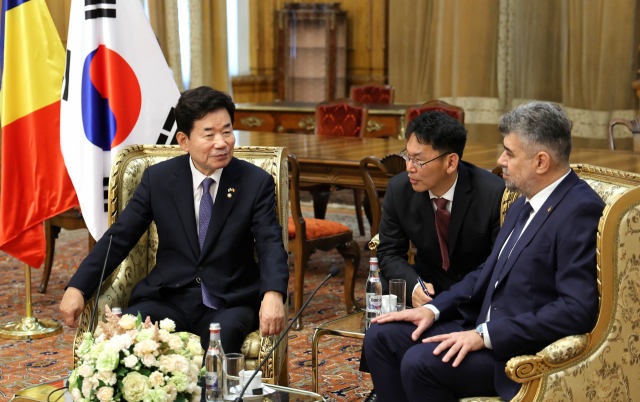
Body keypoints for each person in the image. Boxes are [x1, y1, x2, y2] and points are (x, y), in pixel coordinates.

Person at [363, 101, 605, 402]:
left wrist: (485, 336)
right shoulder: (523, 201)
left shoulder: (579, 209)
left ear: (541, 162)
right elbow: (488, 272)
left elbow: (575, 310)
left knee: (420, 363)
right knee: (380, 337)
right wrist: (433, 309)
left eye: (509, 153)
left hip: (517, 350)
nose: (501, 160)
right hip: (479, 321)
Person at [59, 87, 289, 353]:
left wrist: (273, 294)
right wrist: (78, 286)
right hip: (167, 297)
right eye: (209, 135)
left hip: (229, 301)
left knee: (221, 344)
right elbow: (120, 236)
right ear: (184, 140)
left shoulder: (255, 182)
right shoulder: (158, 179)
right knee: (124, 338)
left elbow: (270, 243)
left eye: (227, 131)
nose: (222, 142)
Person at [377, 111, 505, 308]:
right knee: (384, 285)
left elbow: (497, 262)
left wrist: (452, 298)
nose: (409, 167)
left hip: (473, 287)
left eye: (418, 160)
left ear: (451, 162)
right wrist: (414, 287)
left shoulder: (493, 193)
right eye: (407, 156)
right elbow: (389, 252)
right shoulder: (399, 189)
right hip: (428, 282)